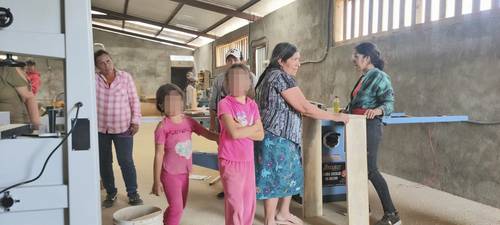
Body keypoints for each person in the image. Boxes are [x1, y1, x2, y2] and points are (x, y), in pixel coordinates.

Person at [254, 42, 349, 225]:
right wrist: (335, 116)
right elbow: (305, 107)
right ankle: (269, 220)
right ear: (281, 61)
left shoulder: (271, 76)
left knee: (289, 174)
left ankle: (283, 213)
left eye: (299, 59)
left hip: (283, 136)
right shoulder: (280, 77)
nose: (299, 63)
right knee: (275, 177)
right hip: (277, 136)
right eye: (295, 59)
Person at [346, 42, 400, 225]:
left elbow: (389, 104)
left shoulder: (380, 76)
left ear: (367, 58)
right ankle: (362, 206)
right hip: (356, 125)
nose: (353, 60)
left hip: (370, 126)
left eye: (356, 56)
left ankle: (392, 214)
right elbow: (356, 104)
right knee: (357, 169)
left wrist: (378, 111)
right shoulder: (365, 76)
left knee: (370, 170)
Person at [151, 83, 218, 225]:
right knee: (177, 208)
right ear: (161, 105)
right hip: (169, 174)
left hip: (184, 172)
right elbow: (158, 155)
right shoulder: (162, 127)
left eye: (177, 101)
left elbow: (206, 133)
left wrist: (222, 137)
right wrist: (156, 181)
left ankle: (166, 220)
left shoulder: (188, 122)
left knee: (181, 206)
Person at [94, 49, 143, 208]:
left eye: (108, 61)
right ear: (97, 66)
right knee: (104, 162)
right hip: (101, 128)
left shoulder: (125, 77)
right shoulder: (93, 79)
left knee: (126, 161)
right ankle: (111, 192)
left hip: (123, 126)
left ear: (112, 60)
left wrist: (135, 121)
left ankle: (133, 193)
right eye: (101, 63)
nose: (106, 65)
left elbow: (134, 100)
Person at [217, 64, 264, 225]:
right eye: (232, 80)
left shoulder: (252, 105)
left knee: (248, 205)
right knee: (235, 205)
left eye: (241, 80)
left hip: (248, 161)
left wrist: (242, 128)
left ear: (248, 83)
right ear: (227, 83)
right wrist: (252, 129)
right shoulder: (225, 104)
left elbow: (261, 135)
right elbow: (234, 134)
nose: (237, 84)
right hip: (230, 160)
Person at [209, 48, 256, 199]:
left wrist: (254, 125)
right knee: (226, 153)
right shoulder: (219, 79)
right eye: (229, 60)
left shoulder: (251, 77)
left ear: (241, 61)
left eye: (235, 60)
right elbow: (213, 103)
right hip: (225, 121)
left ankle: (244, 186)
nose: (232, 63)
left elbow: (254, 98)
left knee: (245, 153)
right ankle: (227, 185)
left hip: (246, 120)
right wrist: (212, 124)